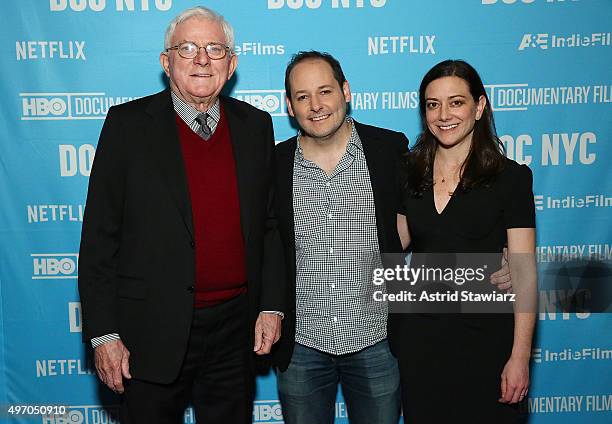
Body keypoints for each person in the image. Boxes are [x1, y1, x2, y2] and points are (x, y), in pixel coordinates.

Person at [78, 7, 284, 424]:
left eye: (215, 49)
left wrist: (272, 306)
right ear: (165, 62)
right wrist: (104, 334)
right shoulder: (127, 126)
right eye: (187, 48)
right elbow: (100, 239)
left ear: (232, 64)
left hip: (234, 329)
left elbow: (270, 227)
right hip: (149, 331)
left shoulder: (256, 126)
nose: (202, 59)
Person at [390, 60, 537, 423]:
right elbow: (392, 247)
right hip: (421, 344)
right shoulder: (410, 172)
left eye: (456, 102)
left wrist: (519, 357)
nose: (444, 115)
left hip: (488, 343)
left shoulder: (511, 179)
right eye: (432, 104)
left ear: (479, 106)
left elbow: (524, 275)